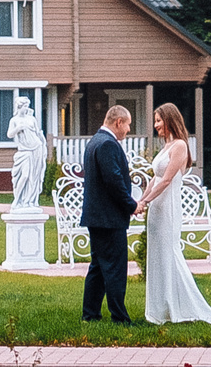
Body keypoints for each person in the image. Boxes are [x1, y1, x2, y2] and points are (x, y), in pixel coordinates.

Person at [137, 102, 211, 325]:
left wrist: (146, 200)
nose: (156, 125)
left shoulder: (180, 146)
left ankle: (180, 306)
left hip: (168, 208)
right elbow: (154, 177)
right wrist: (142, 201)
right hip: (156, 209)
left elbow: (166, 181)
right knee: (157, 257)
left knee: (169, 254)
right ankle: (159, 309)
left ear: (170, 119)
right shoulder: (166, 146)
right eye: (155, 121)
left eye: (159, 120)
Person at [79, 104, 137, 323]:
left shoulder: (95, 141)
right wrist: (131, 205)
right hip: (108, 218)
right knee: (114, 269)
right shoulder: (107, 144)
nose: (128, 129)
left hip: (98, 217)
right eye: (128, 124)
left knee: (98, 267)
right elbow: (114, 181)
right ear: (118, 122)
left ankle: (90, 314)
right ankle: (119, 317)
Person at [8, 98, 47, 209]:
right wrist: (18, 128)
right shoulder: (14, 120)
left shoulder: (32, 119)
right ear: (19, 107)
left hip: (37, 148)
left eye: (27, 106)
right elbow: (9, 134)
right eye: (25, 106)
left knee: (34, 176)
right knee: (24, 175)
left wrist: (43, 143)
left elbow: (38, 132)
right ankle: (17, 199)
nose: (27, 108)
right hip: (25, 151)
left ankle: (30, 201)